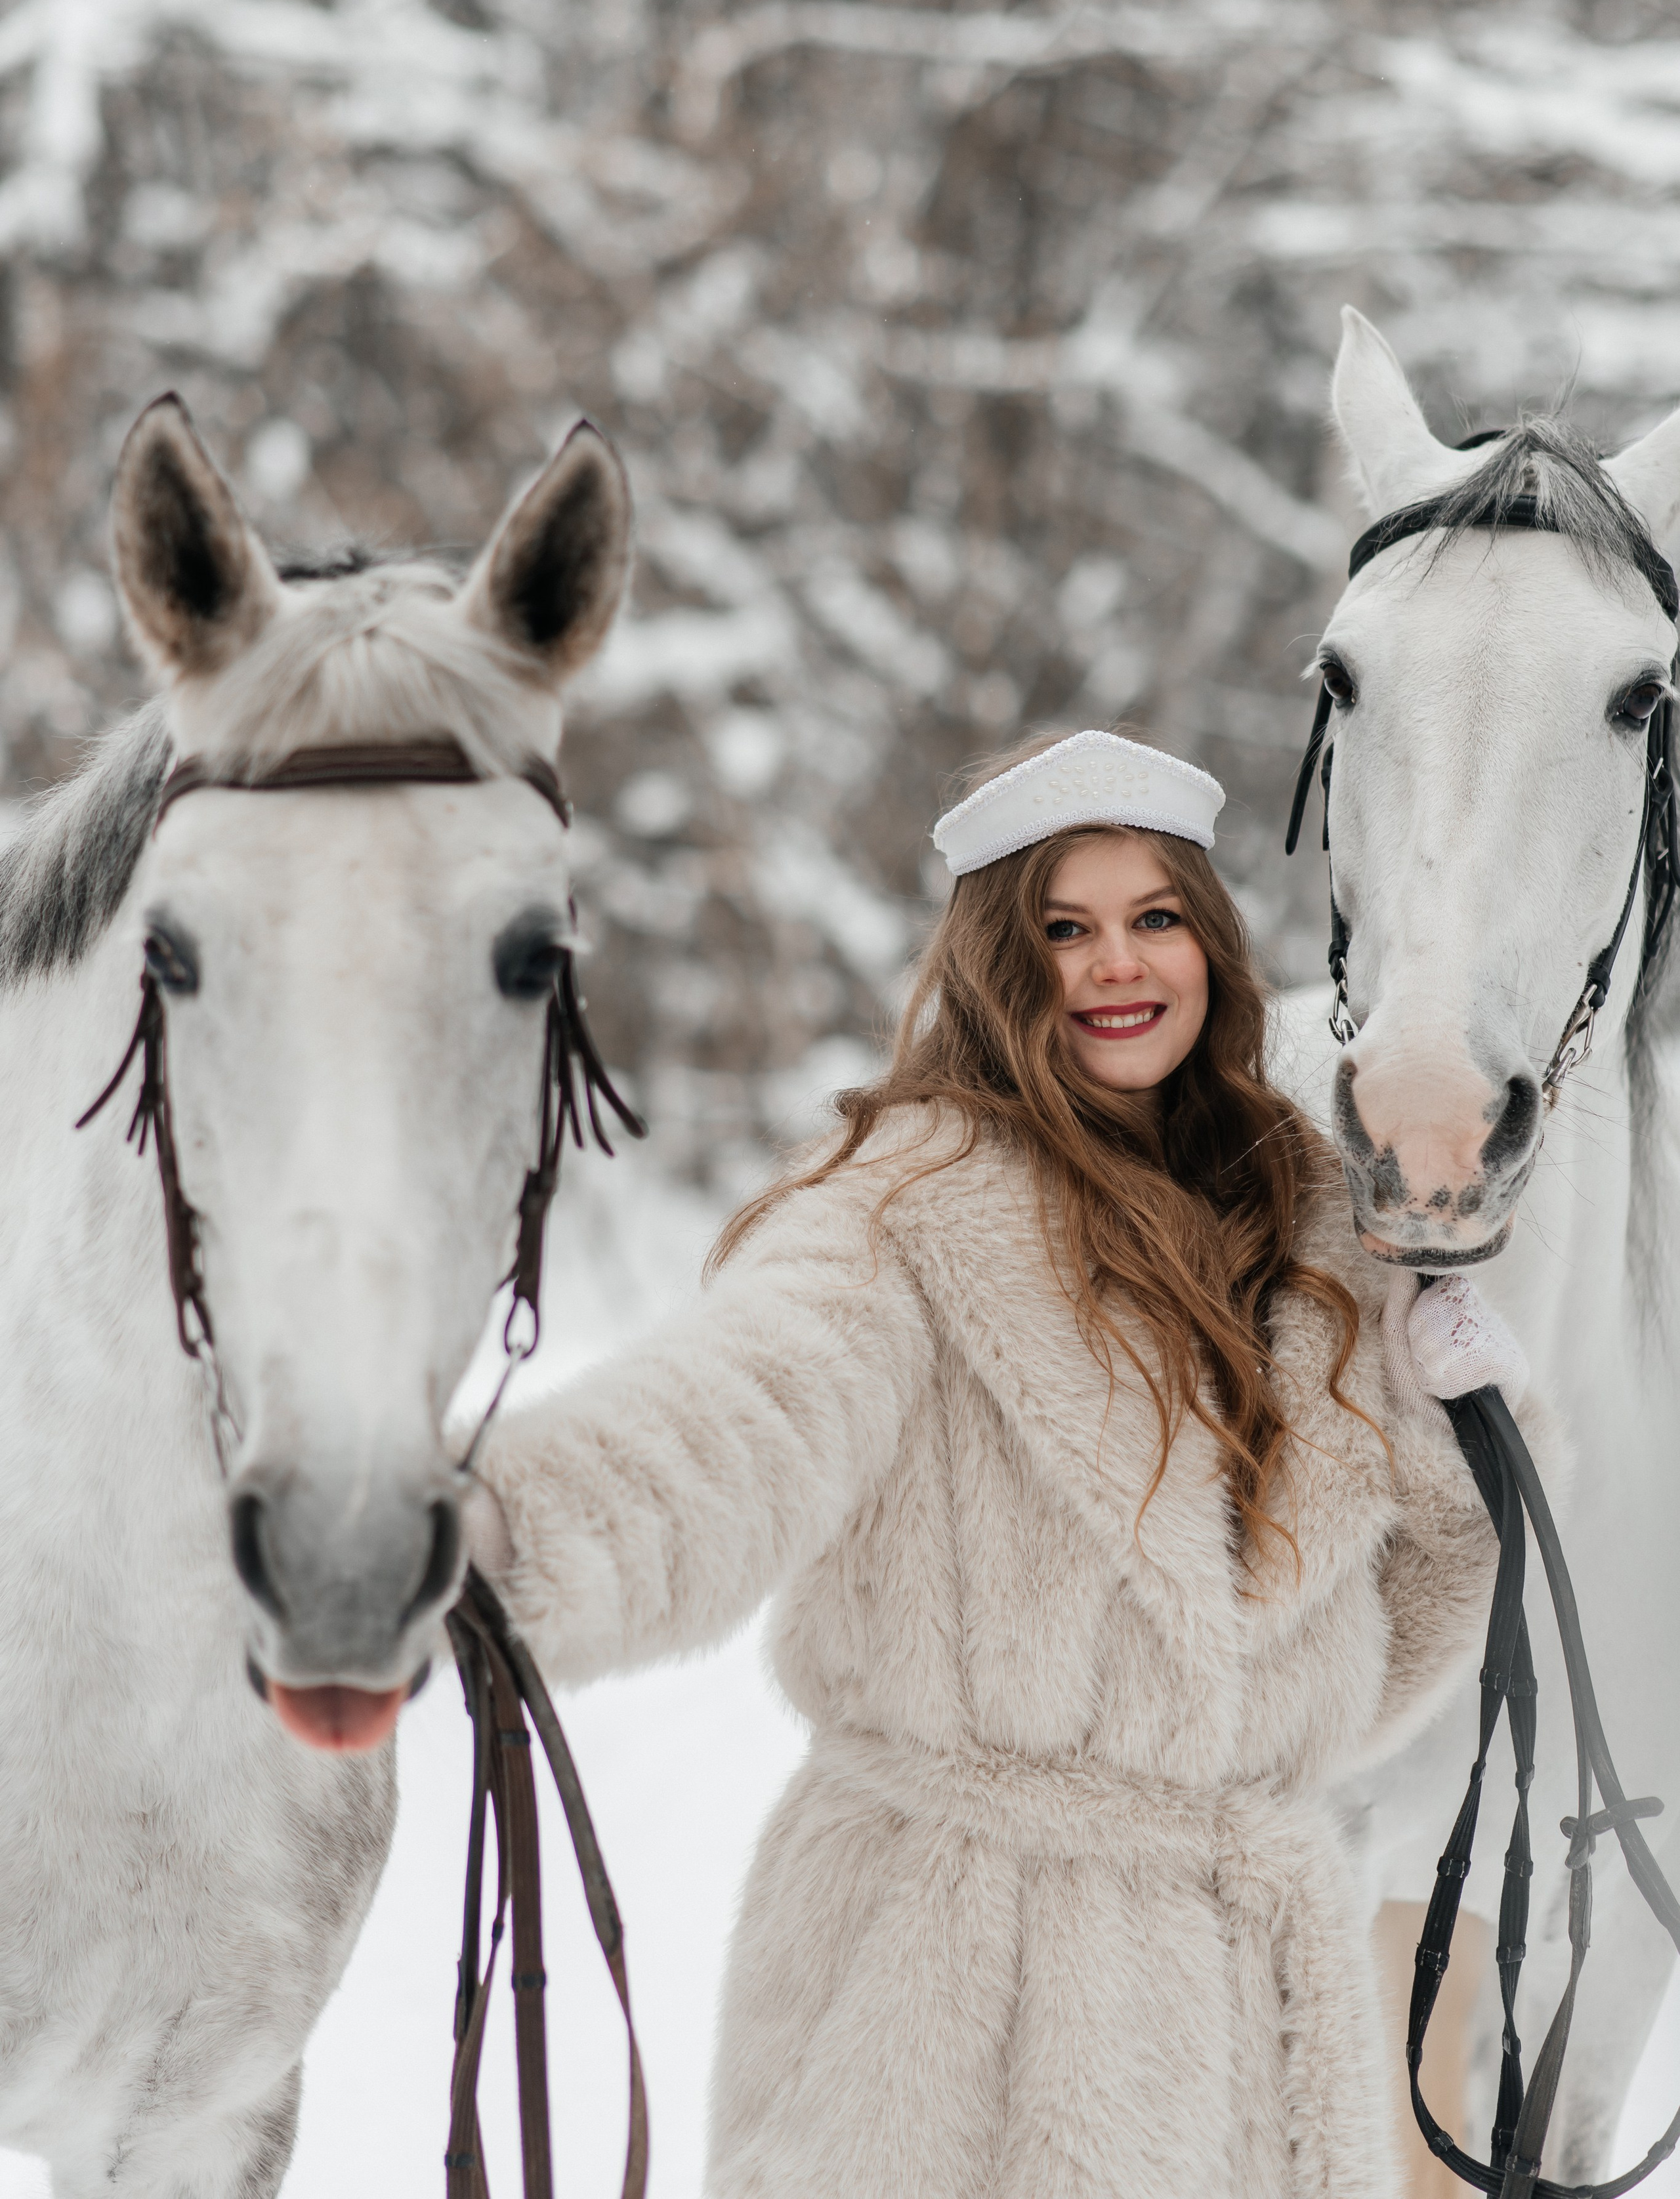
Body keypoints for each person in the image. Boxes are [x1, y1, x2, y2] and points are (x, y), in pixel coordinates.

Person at [469, 728, 1551, 2199]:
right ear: (997, 957)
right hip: (948, 2006)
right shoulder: (896, 1208)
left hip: (1245, 2031)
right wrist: (508, 1524)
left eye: (1153, 917)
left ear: (1210, 943)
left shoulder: (1310, 1227)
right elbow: (744, 1410)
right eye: (1064, 929)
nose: (1117, 965)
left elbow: (1343, 1678)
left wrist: (1458, 1452)